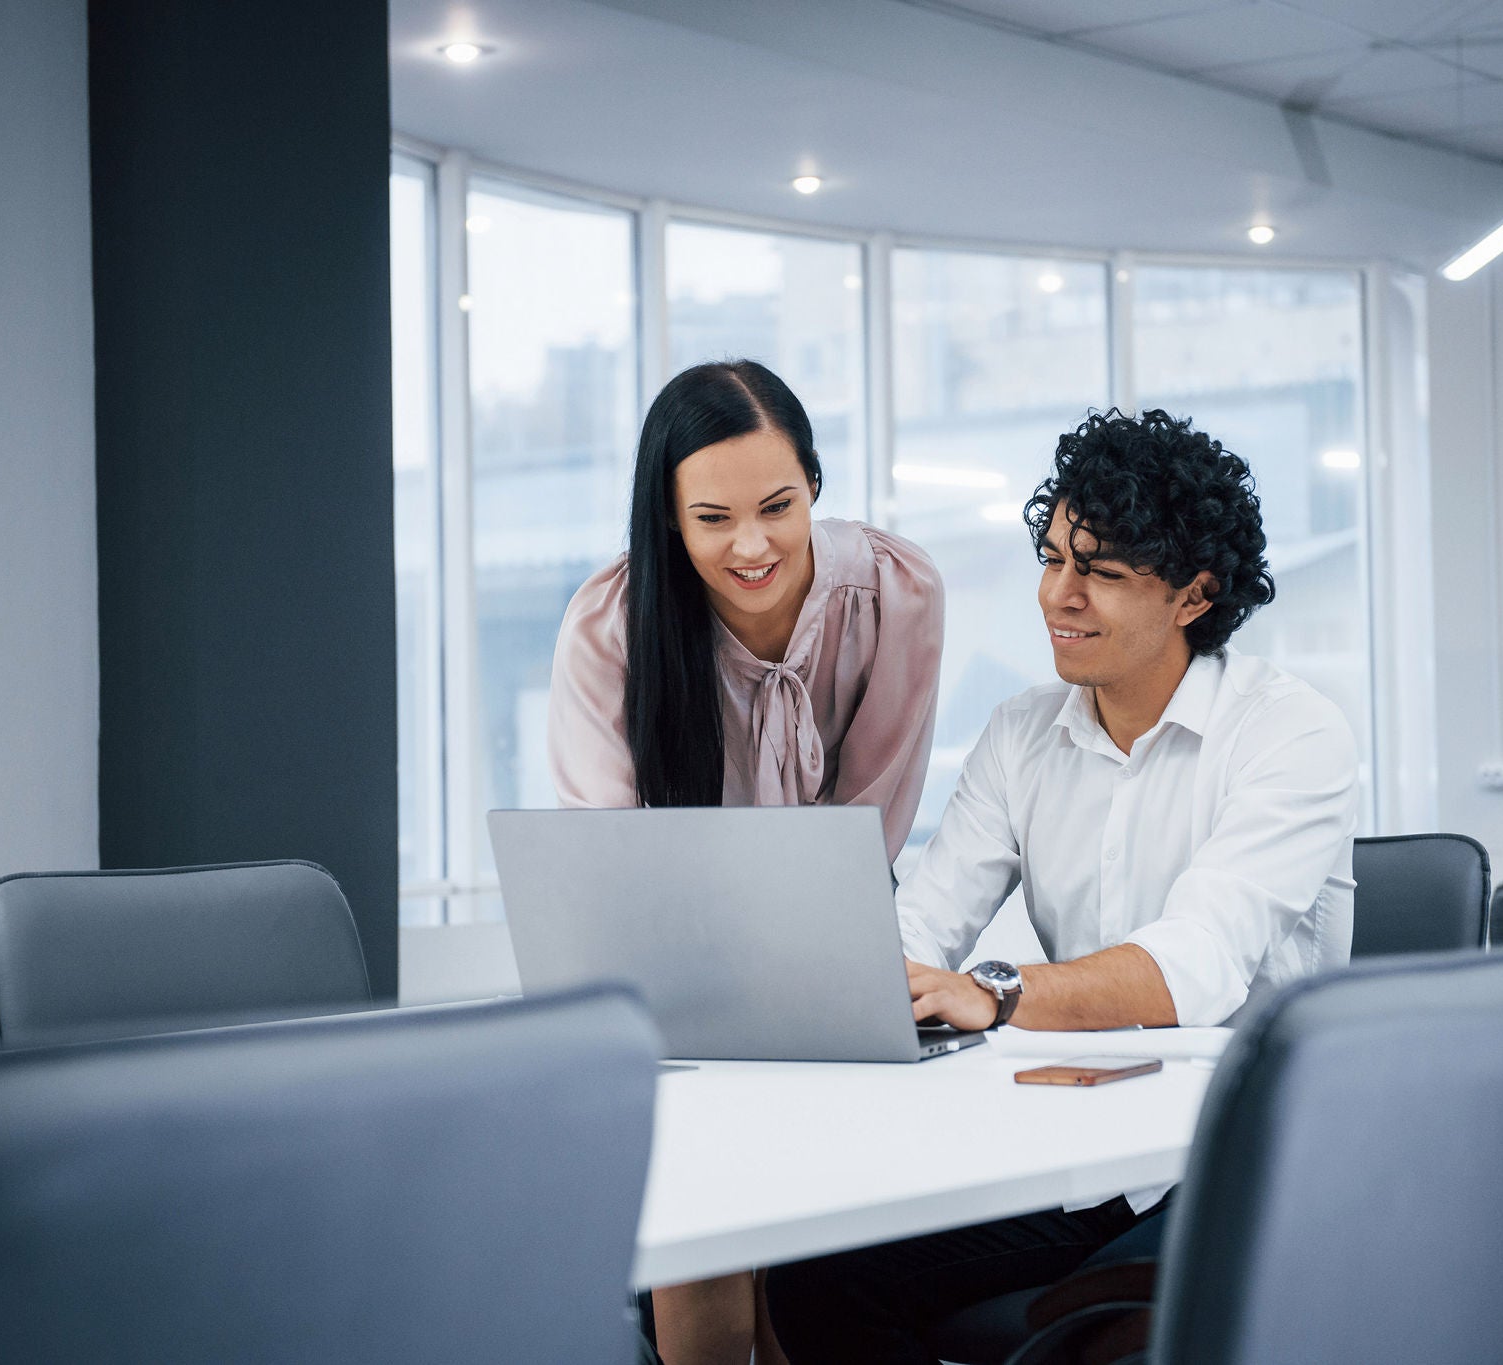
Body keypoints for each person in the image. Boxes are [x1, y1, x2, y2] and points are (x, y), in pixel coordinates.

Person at [764, 408, 1359, 1364]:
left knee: (1098, 1333)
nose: (1058, 595)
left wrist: (996, 994)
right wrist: (823, 990)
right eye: (1052, 557)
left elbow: (1193, 968)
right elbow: (925, 924)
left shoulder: (1291, 734)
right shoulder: (1021, 733)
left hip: (1235, 1160)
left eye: (1101, 572)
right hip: (1080, 1150)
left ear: (1195, 595)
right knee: (814, 1275)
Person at [548, 359, 945, 1365]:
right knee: (710, 1236)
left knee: (815, 1274)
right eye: (713, 519)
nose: (752, 544)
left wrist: (806, 966)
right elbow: (610, 865)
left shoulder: (893, 594)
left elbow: (870, 822)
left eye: (777, 505)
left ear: (814, 481)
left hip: (825, 960)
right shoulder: (611, 624)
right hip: (673, 985)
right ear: (671, 521)